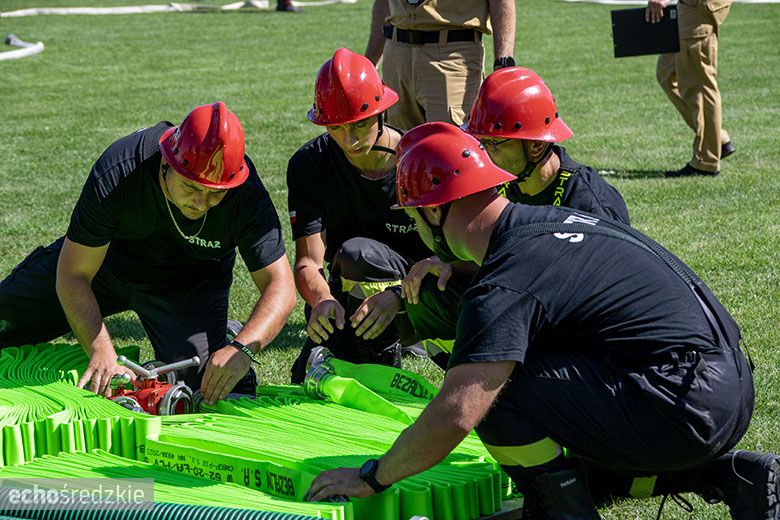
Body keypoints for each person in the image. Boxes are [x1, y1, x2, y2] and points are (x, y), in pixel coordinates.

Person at [306, 122, 779, 520]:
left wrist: (373, 475)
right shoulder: (545, 223)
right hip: (723, 384)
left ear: (433, 209)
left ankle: (561, 510)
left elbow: (457, 413)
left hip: (683, 402)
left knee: (495, 390)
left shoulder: (507, 278)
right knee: (541, 390)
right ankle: (731, 477)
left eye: (415, 217)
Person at [0, 102, 296, 406]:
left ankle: (223, 337)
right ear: (168, 162)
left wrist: (242, 348)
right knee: (4, 319)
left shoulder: (245, 194)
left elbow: (281, 286)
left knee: (192, 392)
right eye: (191, 186)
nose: (201, 201)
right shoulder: (120, 169)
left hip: (187, 283)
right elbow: (74, 273)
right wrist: (100, 350)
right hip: (106, 265)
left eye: (215, 193)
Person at [403, 67, 630, 367]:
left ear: (535, 145)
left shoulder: (590, 201)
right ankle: (464, 378)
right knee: (433, 290)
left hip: (570, 327)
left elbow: (605, 298)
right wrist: (446, 262)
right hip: (519, 299)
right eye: (481, 142)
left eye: (494, 144)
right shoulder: (502, 182)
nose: (483, 154)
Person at [287, 48, 430, 383]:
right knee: (304, 380)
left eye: (360, 125)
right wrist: (321, 299)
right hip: (347, 295)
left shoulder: (419, 160)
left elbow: (452, 258)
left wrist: (397, 298)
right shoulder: (308, 164)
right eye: (335, 128)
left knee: (359, 254)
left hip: (421, 299)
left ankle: (386, 365)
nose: (349, 141)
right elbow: (308, 261)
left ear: (383, 111)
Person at [364, 0, 516, 130]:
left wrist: (503, 63)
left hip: (450, 54)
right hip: (396, 53)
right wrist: (369, 63)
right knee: (399, 150)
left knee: (450, 149)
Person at [646, 0, 734, 177]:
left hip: (699, 7)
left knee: (699, 85)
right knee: (667, 73)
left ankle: (706, 161)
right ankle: (718, 138)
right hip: (688, 7)